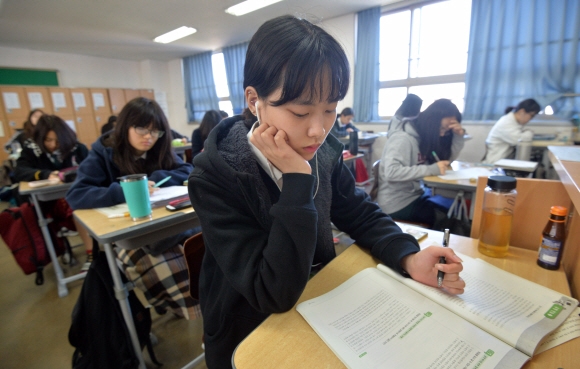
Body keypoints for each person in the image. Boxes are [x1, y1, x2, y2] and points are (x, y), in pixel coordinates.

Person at [187, 15, 465, 368]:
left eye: (330, 109)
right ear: (254, 100)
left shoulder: (322, 151)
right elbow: (271, 292)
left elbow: (359, 212)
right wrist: (297, 181)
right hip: (249, 333)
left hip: (317, 304)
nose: (318, 130)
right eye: (301, 111)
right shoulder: (215, 176)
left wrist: (407, 256)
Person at [66, 97, 199, 319]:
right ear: (125, 126)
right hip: (129, 232)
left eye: (156, 132)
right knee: (166, 263)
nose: (149, 137)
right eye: (141, 129)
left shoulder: (159, 149)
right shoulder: (104, 151)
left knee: (201, 247)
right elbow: (77, 194)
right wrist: (128, 190)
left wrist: (157, 177)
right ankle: (189, 309)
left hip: (163, 223)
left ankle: (211, 307)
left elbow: (187, 169)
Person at [13, 114, 94, 270]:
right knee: (75, 205)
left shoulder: (77, 147)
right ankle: (88, 251)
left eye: (57, 141)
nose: (53, 145)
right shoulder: (31, 149)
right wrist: (44, 174)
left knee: (78, 203)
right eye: (48, 140)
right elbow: (20, 171)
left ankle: (94, 251)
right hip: (49, 203)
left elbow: (92, 167)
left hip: (78, 197)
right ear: (40, 138)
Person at [377, 99, 466, 228]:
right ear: (431, 122)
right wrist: (432, 169)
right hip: (396, 203)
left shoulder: (425, 137)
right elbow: (391, 173)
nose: (442, 134)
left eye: (446, 131)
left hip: (416, 195)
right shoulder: (403, 139)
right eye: (441, 128)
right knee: (446, 216)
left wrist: (457, 136)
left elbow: (445, 162)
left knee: (455, 207)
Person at [483, 99, 540, 164]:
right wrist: (530, 132)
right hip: (495, 165)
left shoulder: (513, 122)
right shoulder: (506, 123)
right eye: (531, 116)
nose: (530, 119)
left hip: (503, 162)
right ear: (522, 111)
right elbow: (522, 140)